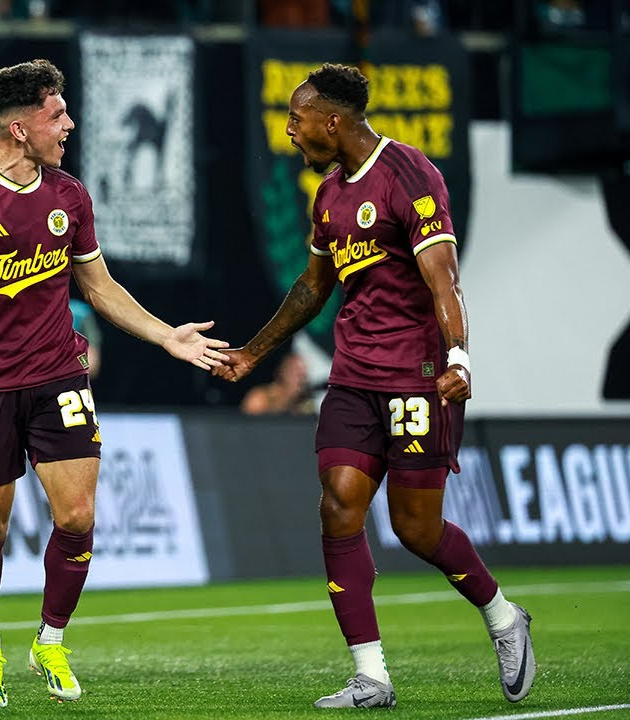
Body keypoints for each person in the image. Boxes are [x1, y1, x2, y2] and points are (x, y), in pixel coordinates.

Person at [213, 63, 535, 708]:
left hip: (417, 377)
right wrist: (252, 353)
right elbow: (312, 288)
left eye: (297, 119)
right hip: (354, 377)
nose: (290, 131)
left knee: (416, 529)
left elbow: (444, 279)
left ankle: (503, 616)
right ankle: (371, 675)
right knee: (338, 505)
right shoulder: (328, 194)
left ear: (332, 121)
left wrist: (459, 357)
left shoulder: (409, 174)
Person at [0, 58, 229, 708]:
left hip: (60, 375)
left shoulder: (69, 195)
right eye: (56, 114)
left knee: (79, 516)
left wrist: (166, 335)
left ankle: (51, 640)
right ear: (20, 127)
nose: (70, 124)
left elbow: (99, 286)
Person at [240, 351, 314, 415]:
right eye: (297, 374)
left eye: (304, 375)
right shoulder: (260, 399)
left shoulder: (304, 403)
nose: (301, 380)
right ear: (283, 373)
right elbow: (246, 424)